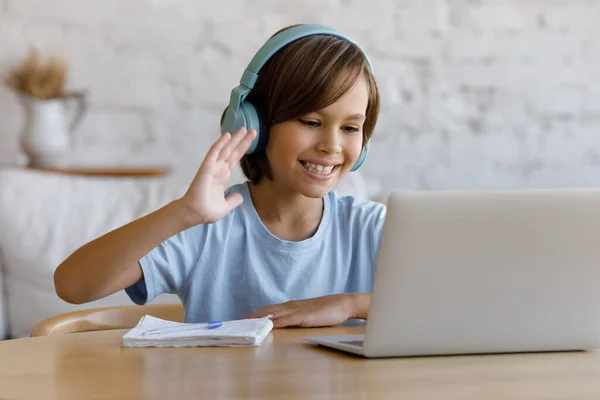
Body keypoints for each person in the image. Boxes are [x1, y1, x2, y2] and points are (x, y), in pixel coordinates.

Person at [54, 24, 386, 328]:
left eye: (350, 128)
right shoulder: (206, 230)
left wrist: (351, 304)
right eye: (311, 122)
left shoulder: (373, 228)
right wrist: (183, 213)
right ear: (255, 125)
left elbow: (438, 310)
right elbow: (72, 285)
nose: (332, 145)